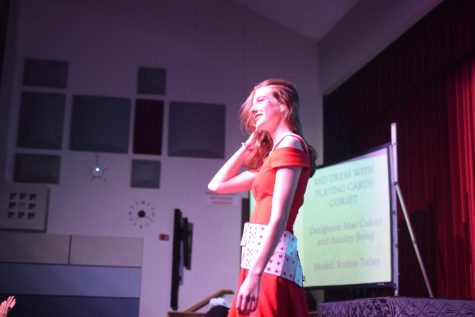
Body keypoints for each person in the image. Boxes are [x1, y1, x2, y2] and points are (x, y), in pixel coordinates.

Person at [208, 79, 317, 316]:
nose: (254, 108)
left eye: (262, 100)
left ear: (284, 106)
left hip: (270, 263)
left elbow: (279, 216)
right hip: (259, 260)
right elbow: (216, 185)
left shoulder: (292, 144)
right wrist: (249, 144)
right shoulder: (273, 156)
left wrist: (255, 275)